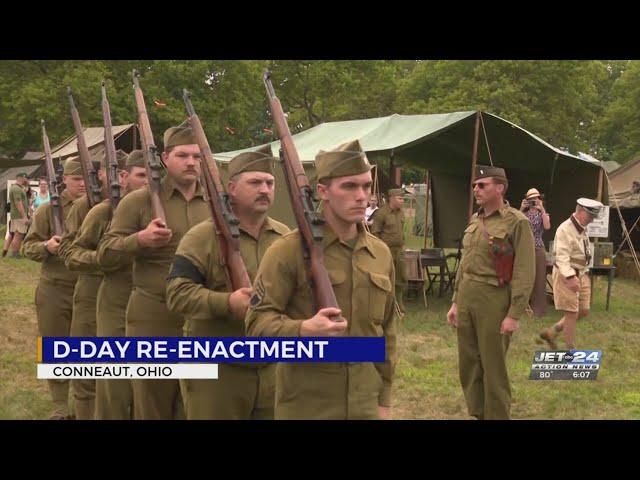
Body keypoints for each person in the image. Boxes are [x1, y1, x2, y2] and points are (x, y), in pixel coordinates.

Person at [245, 139, 397, 420]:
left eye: (366, 185)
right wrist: (302, 329)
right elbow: (256, 326)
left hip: (366, 405)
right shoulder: (287, 250)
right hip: (307, 406)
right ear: (323, 191)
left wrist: (384, 399)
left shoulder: (380, 253)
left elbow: (387, 332)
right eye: (349, 186)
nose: (361, 196)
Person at [166, 145, 289, 419]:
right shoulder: (202, 237)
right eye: (255, 182)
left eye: (269, 183)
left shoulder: (285, 238)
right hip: (216, 367)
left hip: (271, 367)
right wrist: (227, 302)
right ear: (231, 188)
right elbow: (176, 293)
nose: (264, 189)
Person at [97, 123, 210, 420]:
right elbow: (106, 254)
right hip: (153, 315)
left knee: (195, 404)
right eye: (183, 155)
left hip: (200, 317)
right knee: (152, 404)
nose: (191, 163)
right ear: (164, 158)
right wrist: (140, 240)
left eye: (197, 157)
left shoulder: (214, 203)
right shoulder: (138, 201)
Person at [446, 165, 535, 420]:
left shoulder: (516, 222)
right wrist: (455, 302)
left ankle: (497, 415)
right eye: (475, 185)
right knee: (469, 364)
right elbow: (465, 264)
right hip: (467, 296)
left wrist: (514, 314)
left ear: (500, 187)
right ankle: (478, 413)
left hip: (494, 298)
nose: (476, 189)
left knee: (493, 366)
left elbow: (524, 270)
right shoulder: (476, 221)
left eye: (482, 185)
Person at [21, 158, 85, 419]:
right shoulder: (48, 210)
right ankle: (60, 404)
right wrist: (46, 246)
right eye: (76, 179)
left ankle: (85, 402)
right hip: (55, 288)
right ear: (65, 180)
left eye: (86, 178)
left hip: (90, 287)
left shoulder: (99, 206)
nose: (82, 183)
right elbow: (27, 247)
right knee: (55, 345)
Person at [94, 150, 147, 420]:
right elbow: (74, 252)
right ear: (124, 177)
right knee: (114, 383)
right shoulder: (102, 211)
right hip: (116, 301)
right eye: (141, 176)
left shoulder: (161, 208)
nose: (148, 182)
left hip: (151, 307)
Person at [539, 198, 604, 350]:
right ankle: (570, 349)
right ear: (580, 211)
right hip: (567, 274)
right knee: (571, 313)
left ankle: (551, 332)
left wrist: (584, 273)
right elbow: (561, 256)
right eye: (590, 216)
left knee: (584, 310)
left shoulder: (581, 227)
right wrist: (569, 277)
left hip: (582, 273)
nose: (592, 220)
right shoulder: (565, 229)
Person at [370, 188, 407, 313]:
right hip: (387, 251)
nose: (402, 201)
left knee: (401, 276)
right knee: (386, 277)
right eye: (400, 198)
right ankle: (387, 304)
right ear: (391, 198)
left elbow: (402, 230)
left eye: (403, 199)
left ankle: (399, 302)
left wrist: (403, 244)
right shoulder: (381, 213)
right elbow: (375, 233)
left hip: (399, 250)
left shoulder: (401, 213)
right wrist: (380, 250)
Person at [520, 188, 551, 317]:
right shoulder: (523, 214)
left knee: (539, 278)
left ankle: (538, 309)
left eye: (536, 199)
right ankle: (522, 307)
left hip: (538, 247)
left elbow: (547, 226)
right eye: (531, 200)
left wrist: (542, 209)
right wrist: (521, 209)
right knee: (525, 277)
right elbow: (513, 223)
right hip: (525, 248)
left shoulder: (543, 214)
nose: (534, 202)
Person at [6, 172, 31, 258]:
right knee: (18, 235)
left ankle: (15, 253)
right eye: (26, 178)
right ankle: (14, 254)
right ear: (23, 177)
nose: (27, 179)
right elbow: (18, 203)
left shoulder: (18, 188)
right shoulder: (16, 189)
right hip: (19, 216)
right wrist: (24, 217)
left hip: (17, 215)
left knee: (18, 235)